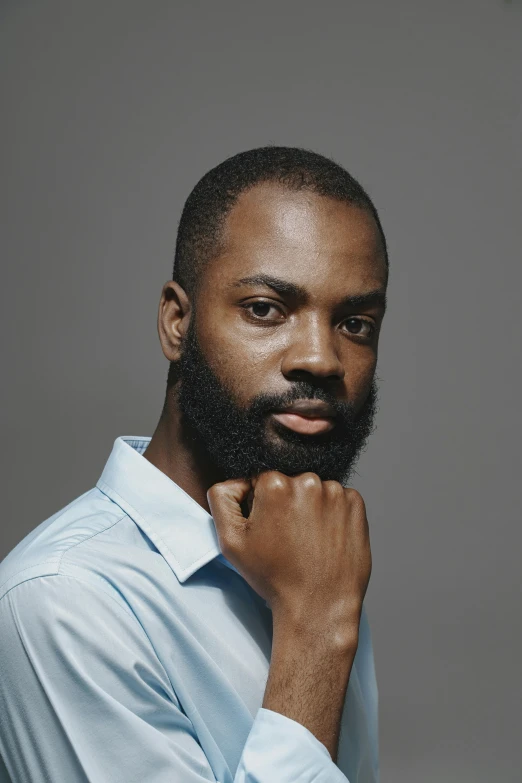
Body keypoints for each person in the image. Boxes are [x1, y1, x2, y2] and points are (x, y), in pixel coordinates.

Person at [0, 146, 388, 782]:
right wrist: (316, 632)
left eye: (355, 322)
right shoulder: (63, 601)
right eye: (265, 308)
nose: (321, 358)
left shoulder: (314, 556)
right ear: (177, 322)